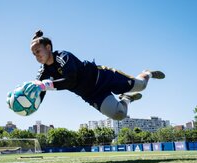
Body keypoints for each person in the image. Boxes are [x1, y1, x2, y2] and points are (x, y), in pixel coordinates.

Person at [26, 30, 165, 120]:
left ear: (48, 47)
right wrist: (30, 105)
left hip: (103, 78)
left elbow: (70, 80)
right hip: (92, 94)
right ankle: (127, 98)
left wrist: (45, 85)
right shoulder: (43, 72)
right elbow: (39, 91)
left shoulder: (63, 56)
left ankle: (147, 73)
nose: (36, 56)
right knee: (119, 115)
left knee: (141, 86)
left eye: (37, 51)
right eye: (33, 54)